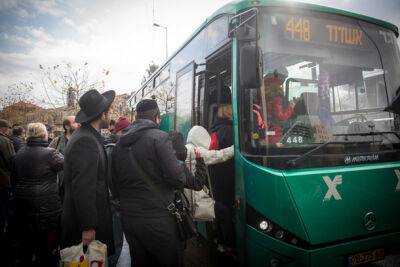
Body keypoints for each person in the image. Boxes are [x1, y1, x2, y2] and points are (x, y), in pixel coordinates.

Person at [112, 99, 205, 267]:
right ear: (157, 117)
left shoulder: (119, 145)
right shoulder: (160, 138)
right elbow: (177, 178)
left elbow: (113, 182)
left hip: (130, 220)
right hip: (158, 220)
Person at [61, 89, 115, 257]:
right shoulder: (86, 140)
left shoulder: (87, 136)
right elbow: (83, 187)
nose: (111, 114)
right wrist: (88, 226)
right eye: (109, 111)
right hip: (86, 225)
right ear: (102, 114)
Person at [9, 122, 64, 267]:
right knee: (46, 248)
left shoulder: (19, 153)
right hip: (47, 208)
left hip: (22, 206)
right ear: (44, 134)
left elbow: (13, 179)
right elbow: (67, 165)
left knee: (26, 246)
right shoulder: (51, 154)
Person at [209, 98, 236, 252]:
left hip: (217, 176)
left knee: (220, 209)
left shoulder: (215, 131)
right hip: (230, 175)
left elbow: (212, 152)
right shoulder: (232, 130)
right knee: (228, 210)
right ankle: (229, 242)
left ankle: (221, 241)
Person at [104, 116, 130, 267]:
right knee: (116, 241)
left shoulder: (113, 146)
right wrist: (118, 202)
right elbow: (111, 179)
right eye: (126, 130)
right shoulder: (113, 148)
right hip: (113, 201)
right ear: (119, 131)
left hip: (112, 200)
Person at [0, 119, 14, 265]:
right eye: (8, 127)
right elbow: (12, 161)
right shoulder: (4, 141)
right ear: (3, 128)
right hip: (3, 182)